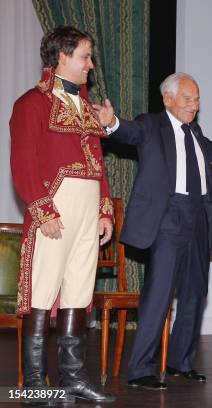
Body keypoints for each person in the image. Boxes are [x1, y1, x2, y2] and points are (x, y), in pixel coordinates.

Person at [93, 72, 212, 390]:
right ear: (168, 99)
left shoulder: (195, 132)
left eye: (197, 99)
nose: (194, 105)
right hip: (168, 219)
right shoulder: (152, 125)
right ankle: (140, 369)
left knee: (195, 293)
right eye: (188, 99)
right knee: (160, 294)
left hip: (199, 218)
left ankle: (180, 361)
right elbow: (127, 132)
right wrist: (111, 123)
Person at [9, 26, 115, 402]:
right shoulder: (30, 104)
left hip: (87, 214)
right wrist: (43, 210)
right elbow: (23, 163)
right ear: (63, 56)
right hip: (54, 212)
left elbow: (96, 164)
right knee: (42, 293)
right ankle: (35, 384)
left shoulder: (87, 109)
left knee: (78, 292)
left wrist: (104, 211)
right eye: (85, 56)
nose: (91, 64)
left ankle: (73, 378)